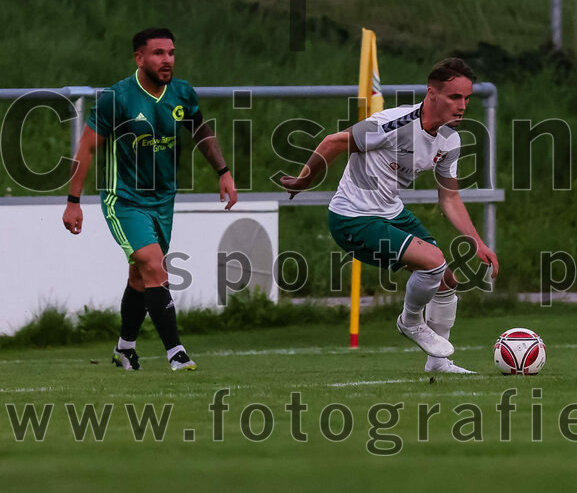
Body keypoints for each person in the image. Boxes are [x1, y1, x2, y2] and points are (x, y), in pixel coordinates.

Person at [280, 57, 498, 374]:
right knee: (434, 261)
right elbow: (333, 142)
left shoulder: (450, 140)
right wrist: (304, 180)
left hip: (390, 213)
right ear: (432, 94)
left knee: (446, 281)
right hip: (352, 218)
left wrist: (477, 241)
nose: (462, 105)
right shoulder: (393, 124)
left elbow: (449, 197)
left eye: (467, 98)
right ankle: (410, 322)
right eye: (455, 97)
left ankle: (438, 363)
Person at [62, 27, 238, 371]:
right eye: (158, 53)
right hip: (123, 199)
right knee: (155, 266)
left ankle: (124, 349)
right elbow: (85, 147)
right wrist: (73, 201)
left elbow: (200, 130)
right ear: (139, 58)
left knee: (140, 277)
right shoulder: (118, 98)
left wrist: (224, 171)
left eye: (171, 53)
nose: (167, 60)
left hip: (163, 201)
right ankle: (176, 353)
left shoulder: (182, 93)